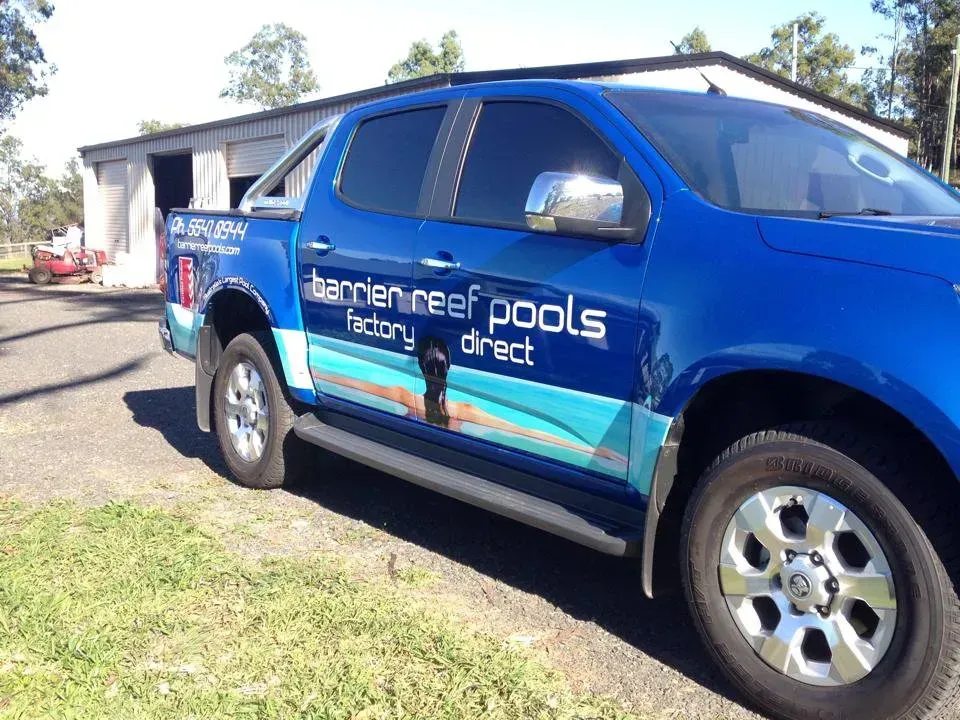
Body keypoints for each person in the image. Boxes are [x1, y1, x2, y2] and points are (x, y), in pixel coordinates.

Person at [313, 336, 627, 466]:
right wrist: (591, 449)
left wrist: (311, 368)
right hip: (452, 460)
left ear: (420, 368)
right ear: (448, 369)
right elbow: (524, 431)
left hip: (414, 453)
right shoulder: (463, 410)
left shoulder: (404, 396)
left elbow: (350, 382)